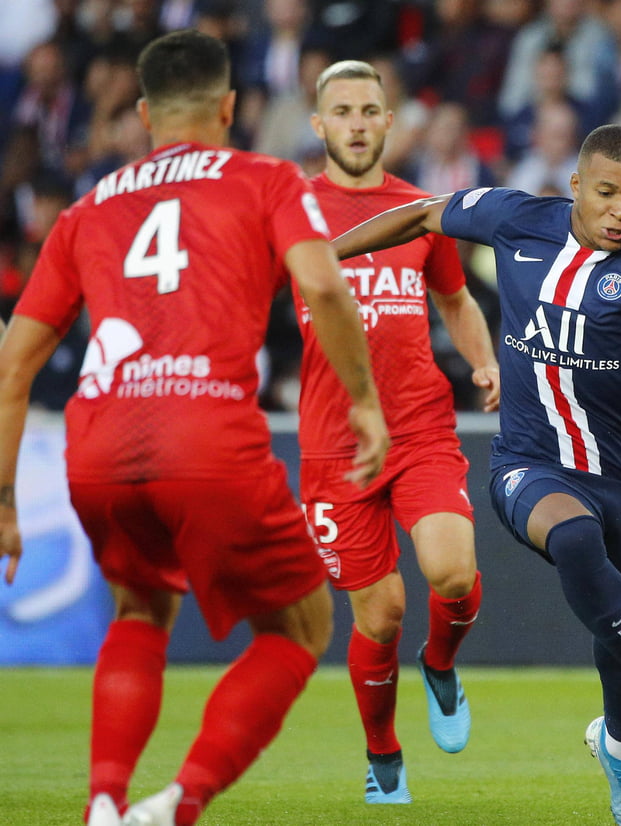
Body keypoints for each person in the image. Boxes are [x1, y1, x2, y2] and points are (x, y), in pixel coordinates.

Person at [0, 30, 389, 826]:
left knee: (139, 610)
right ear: (229, 106)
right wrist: (362, 399)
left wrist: (5, 502)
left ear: (142, 113)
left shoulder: (86, 208)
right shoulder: (266, 177)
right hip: (207, 432)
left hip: (98, 443)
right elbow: (321, 285)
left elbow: (13, 367)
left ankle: (105, 803)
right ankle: (180, 803)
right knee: (299, 626)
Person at [332, 123, 621, 826]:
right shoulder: (518, 219)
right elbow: (426, 214)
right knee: (575, 541)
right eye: (605, 193)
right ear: (575, 187)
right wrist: (320, 256)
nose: (620, 211)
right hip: (529, 464)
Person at [301, 59, 497, 804]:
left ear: (389, 122)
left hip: (417, 423)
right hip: (333, 442)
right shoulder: (293, 209)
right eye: (342, 111)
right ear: (320, 125)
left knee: (452, 573)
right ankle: (383, 755)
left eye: (369, 110)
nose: (356, 122)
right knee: (378, 614)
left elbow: (454, 297)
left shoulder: (422, 208)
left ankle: (441, 664)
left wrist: (484, 361)